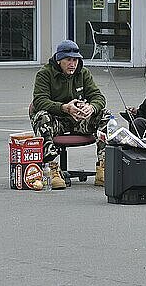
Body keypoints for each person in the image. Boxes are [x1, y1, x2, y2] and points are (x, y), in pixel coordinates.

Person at [30, 40, 109, 189]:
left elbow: (99, 97)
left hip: (79, 119)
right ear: (59, 60)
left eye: (75, 60)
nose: (72, 64)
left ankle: (103, 166)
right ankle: (52, 168)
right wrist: (64, 108)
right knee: (41, 116)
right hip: (56, 120)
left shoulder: (83, 73)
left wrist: (91, 108)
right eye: (68, 60)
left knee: (105, 115)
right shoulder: (45, 74)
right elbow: (39, 101)